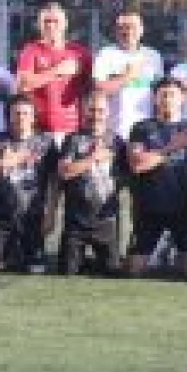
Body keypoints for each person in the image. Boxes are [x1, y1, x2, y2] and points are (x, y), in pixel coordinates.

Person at [127, 78, 187, 278]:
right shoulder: (141, 128)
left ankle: (168, 253)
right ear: (155, 99)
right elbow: (137, 165)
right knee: (134, 270)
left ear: (182, 98)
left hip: (183, 210)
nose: (167, 99)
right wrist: (172, 147)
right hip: (148, 209)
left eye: (172, 95)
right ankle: (161, 253)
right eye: (163, 95)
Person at [0, 94, 59, 275]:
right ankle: (0, 255)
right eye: (16, 113)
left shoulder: (46, 142)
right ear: (9, 116)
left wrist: (51, 214)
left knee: (37, 271)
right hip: (0, 220)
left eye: (26, 113)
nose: (21, 118)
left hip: (32, 219)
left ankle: (22, 254)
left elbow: (55, 179)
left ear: (33, 117)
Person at [57, 91, 128, 276]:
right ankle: (82, 261)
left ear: (108, 112)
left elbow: (126, 178)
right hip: (76, 220)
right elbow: (64, 172)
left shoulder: (118, 142)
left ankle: (93, 262)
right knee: (68, 272)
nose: (96, 115)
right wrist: (93, 158)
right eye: (92, 110)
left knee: (112, 272)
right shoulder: (72, 139)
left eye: (100, 110)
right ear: (84, 111)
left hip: (106, 220)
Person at [15, 2, 92, 144]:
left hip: (73, 130)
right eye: (46, 21)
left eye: (55, 21)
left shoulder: (80, 53)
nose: (51, 26)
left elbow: (91, 89)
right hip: (40, 130)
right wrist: (58, 71)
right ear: (39, 25)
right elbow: (22, 85)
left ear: (65, 24)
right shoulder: (31, 50)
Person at [93, 8, 164, 139]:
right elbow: (99, 90)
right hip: (114, 132)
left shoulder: (153, 56)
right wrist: (127, 77)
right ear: (116, 31)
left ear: (141, 30)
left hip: (146, 133)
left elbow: (159, 95)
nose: (128, 31)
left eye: (132, 26)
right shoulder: (106, 54)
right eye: (122, 27)